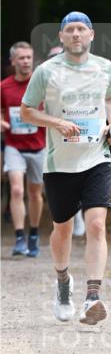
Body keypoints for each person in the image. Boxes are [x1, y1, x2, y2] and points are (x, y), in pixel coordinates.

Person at [20, 12, 111, 324]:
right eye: (70, 30)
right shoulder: (46, 72)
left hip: (96, 157)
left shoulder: (105, 67)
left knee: (96, 225)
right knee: (62, 229)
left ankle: (93, 297)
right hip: (59, 163)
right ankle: (63, 282)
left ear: (91, 34)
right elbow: (26, 112)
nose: (76, 34)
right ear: (61, 37)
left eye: (81, 29)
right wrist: (57, 122)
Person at [1, 41, 45, 257]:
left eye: (29, 57)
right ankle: (20, 238)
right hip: (14, 146)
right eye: (21, 58)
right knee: (17, 189)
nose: (26, 61)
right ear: (13, 61)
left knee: (35, 193)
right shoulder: (4, 87)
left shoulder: (41, 86)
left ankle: (34, 234)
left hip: (39, 146)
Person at [46, 44, 85, 238]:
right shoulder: (44, 80)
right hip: (52, 138)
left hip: (77, 136)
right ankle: (67, 218)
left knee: (76, 174)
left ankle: (78, 218)